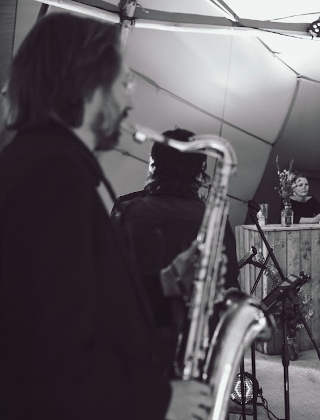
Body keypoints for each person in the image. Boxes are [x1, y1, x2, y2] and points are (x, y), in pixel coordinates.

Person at [0, 13, 208, 420]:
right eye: (124, 82)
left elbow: (74, 303)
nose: (130, 99)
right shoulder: (48, 178)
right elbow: (45, 364)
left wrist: (163, 283)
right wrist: (159, 400)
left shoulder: (47, 165)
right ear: (85, 83)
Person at [111, 127, 241, 377]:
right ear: (200, 172)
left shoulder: (125, 214)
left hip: (133, 352)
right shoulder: (214, 221)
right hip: (195, 355)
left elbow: (106, 287)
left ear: (153, 165)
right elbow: (227, 289)